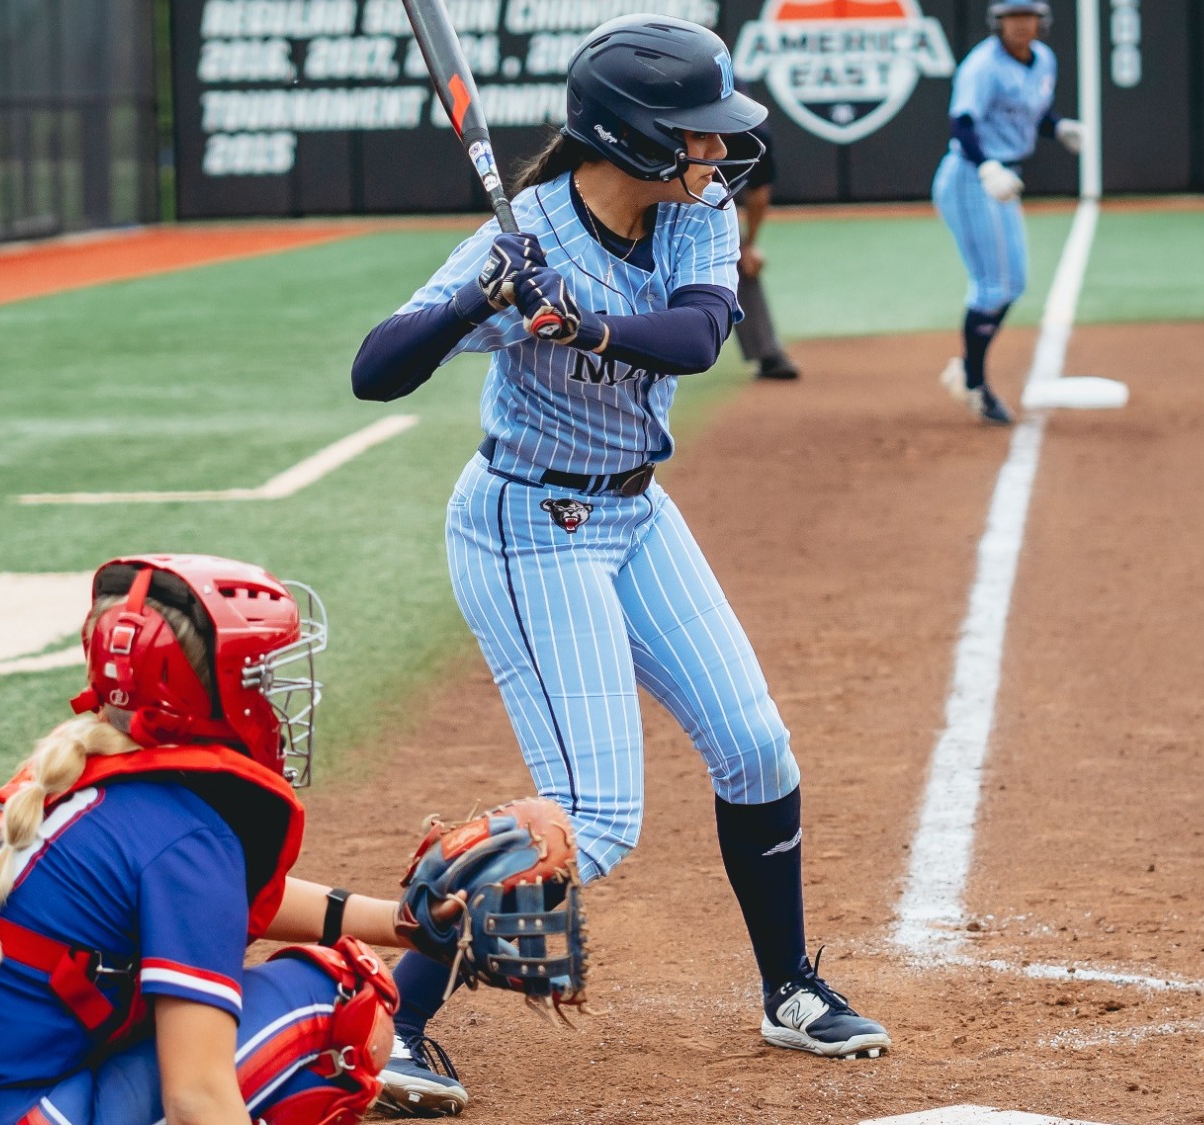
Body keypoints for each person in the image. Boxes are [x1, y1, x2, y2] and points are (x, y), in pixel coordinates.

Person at [350, 15, 890, 1116]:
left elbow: (697, 335)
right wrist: (480, 298)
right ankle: (383, 1022)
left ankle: (787, 990)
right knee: (593, 819)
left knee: (753, 747)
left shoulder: (696, 214)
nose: (715, 155)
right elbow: (374, 371)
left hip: (636, 516)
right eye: (694, 136)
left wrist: (583, 322)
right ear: (630, 138)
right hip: (524, 528)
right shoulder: (525, 235)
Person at [0, 554, 451, 1125]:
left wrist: (402, 923)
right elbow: (195, 1098)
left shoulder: (64, 775)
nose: (276, 696)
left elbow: (216, 899)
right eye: (258, 676)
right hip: (5, 1113)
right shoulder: (188, 838)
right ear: (213, 693)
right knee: (346, 1003)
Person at [930, 1, 1083, 426]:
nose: (1019, 25)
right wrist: (987, 167)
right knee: (993, 286)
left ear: (1041, 21)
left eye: (1027, 16)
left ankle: (967, 368)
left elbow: (1030, 113)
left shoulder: (1044, 60)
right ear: (997, 22)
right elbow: (962, 123)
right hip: (971, 177)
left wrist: (1059, 127)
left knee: (1013, 282)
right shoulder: (982, 65)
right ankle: (974, 383)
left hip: (1002, 178)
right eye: (1011, 17)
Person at [733, 84, 801, 381]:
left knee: (733, 253)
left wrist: (748, 245)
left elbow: (758, 193)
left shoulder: (754, 134)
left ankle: (768, 354)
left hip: (707, 191)